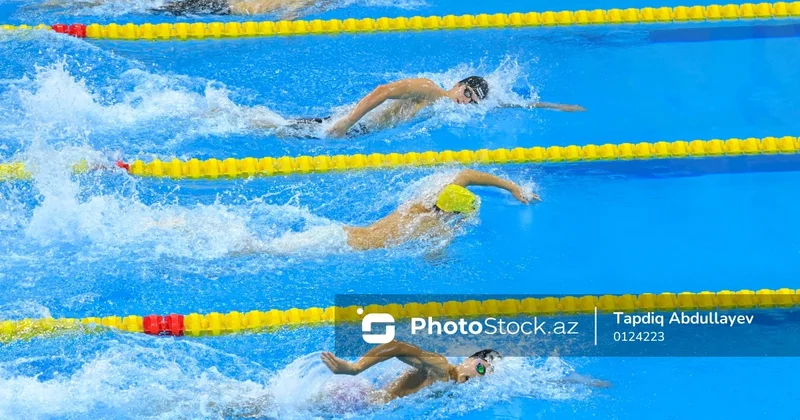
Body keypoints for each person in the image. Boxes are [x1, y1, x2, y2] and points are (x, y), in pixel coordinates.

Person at [324, 76, 585, 138]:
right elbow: (383, 91)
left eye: (473, 100)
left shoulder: (447, 107)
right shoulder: (431, 90)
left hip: (359, 133)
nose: (467, 101)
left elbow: (511, 103)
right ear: (458, 84)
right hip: (348, 128)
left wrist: (556, 106)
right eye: (467, 92)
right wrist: (348, 122)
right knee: (283, 129)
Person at [342, 168, 536, 251]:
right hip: (349, 248)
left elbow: (468, 174)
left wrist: (513, 187)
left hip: (344, 232)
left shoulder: (428, 198)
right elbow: (434, 259)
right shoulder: (433, 226)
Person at [321, 341, 503, 402]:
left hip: (361, 398)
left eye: (484, 375)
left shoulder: (447, 385)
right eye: (480, 367)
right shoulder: (441, 366)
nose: (478, 376)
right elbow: (397, 346)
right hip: (354, 400)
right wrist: (355, 368)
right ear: (468, 360)